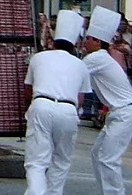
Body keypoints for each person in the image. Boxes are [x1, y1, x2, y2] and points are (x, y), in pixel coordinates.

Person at [22, 10, 90, 195]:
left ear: (53, 42)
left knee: (37, 161)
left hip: (42, 104)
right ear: (74, 44)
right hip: (68, 109)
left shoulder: (39, 58)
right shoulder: (80, 64)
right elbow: (81, 99)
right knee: (61, 160)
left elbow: (28, 89)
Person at [83, 6, 132, 195]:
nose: (85, 41)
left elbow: (76, 70)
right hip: (118, 112)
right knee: (97, 153)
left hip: (125, 112)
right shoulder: (99, 57)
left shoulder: (98, 58)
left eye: (88, 38)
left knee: (108, 158)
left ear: (97, 42)